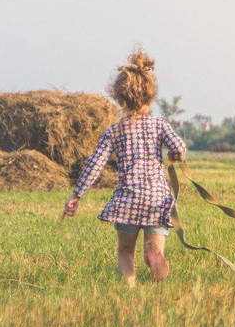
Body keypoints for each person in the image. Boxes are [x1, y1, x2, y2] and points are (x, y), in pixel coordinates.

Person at [63, 50, 187, 287]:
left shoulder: (114, 132)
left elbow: (94, 165)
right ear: (151, 98)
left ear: (119, 99)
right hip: (156, 198)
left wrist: (76, 195)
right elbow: (179, 148)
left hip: (128, 198)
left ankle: (129, 291)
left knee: (125, 252)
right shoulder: (159, 126)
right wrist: (173, 154)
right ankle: (154, 259)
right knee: (154, 247)